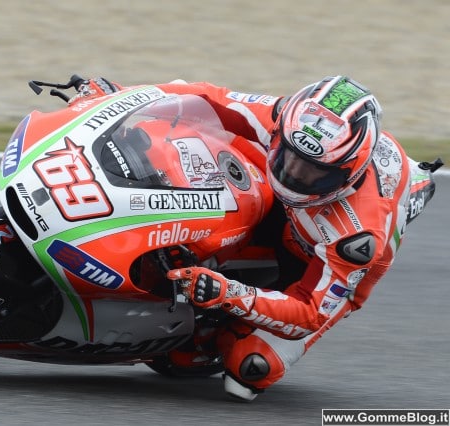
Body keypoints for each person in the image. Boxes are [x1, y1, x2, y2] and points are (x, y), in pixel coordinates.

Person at [70, 75, 441, 401]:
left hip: (319, 258)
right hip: (295, 213)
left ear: (348, 173)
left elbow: (309, 314)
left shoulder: (357, 237)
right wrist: (118, 98)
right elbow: (205, 98)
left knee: (249, 370)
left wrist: (227, 293)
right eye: (289, 158)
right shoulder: (286, 119)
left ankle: (209, 338)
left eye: (313, 173)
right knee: (196, 140)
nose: (294, 175)